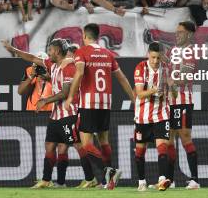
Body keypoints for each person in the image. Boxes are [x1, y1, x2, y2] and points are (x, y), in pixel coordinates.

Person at [3, 39, 96, 188]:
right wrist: (13, 49)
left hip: (69, 112)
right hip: (56, 114)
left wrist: (45, 100)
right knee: (50, 145)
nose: (49, 53)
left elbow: (65, 92)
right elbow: (32, 58)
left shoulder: (69, 67)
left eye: (50, 50)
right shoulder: (53, 65)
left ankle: (91, 179)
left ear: (58, 51)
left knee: (78, 145)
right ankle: (47, 180)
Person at [64, 23, 135, 189]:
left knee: (86, 144)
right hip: (105, 103)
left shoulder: (82, 52)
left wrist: (70, 97)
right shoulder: (108, 54)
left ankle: (109, 172)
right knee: (103, 141)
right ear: (98, 36)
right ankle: (106, 182)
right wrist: (133, 98)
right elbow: (122, 78)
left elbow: (80, 73)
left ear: (84, 36)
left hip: (88, 103)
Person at [134, 41, 173, 192]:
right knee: (140, 151)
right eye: (153, 58)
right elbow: (139, 93)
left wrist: (171, 87)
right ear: (148, 55)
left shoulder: (166, 69)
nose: (155, 61)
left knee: (163, 146)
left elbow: (173, 92)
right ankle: (141, 181)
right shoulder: (140, 68)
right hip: (142, 116)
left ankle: (162, 180)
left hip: (161, 113)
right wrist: (154, 90)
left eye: (158, 58)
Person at [166, 21, 200, 189]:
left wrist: (173, 82)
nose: (177, 34)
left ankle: (194, 180)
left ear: (189, 34)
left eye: (180, 32)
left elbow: (186, 76)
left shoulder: (191, 51)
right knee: (169, 140)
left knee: (185, 136)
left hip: (183, 100)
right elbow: (167, 71)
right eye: (176, 32)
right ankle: (170, 181)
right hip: (169, 101)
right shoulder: (172, 51)